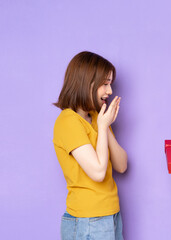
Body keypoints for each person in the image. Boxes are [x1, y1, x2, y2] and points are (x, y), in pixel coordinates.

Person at [53, 51, 127, 240]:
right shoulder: (68, 122)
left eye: (110, 83)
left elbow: (121, 165)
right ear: (86, 82)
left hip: (111, 214)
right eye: (105, 84)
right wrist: (102, 127)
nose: (110, 91)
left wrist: (104, 125)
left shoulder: (96, 117)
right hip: (88, 219)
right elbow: (98, 173)